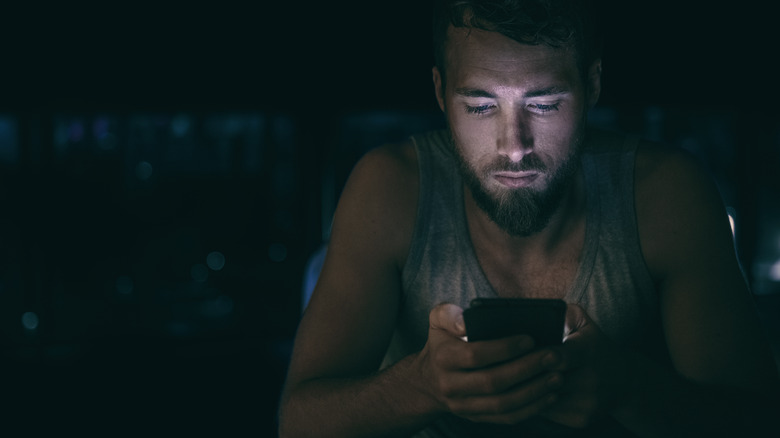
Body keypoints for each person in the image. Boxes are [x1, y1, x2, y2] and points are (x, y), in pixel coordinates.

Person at [278, 0, 780, 436]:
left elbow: (758, 423)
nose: (514, 148)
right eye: (479, 106)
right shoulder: (388, 189)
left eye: (543, 104)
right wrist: (422, 386)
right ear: (439, 94)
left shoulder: (667, 195)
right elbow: (298, 423)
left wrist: (628, 390)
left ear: (592, 85)